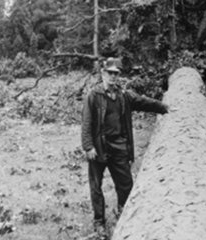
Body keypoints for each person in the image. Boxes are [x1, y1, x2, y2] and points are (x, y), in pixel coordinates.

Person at [81, 57, 168, 235]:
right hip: (99, 147)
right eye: (109, 73)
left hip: (119, 146)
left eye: (116, 74)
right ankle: (99, 223)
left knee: (126, 184)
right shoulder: (94, 95)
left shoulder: (123, 95)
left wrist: (164, 107)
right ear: (103, 73)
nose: (113, 77)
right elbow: (86, 123)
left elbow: (143, 102)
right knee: (96, 187)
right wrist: (88, 146)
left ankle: (124, 215)